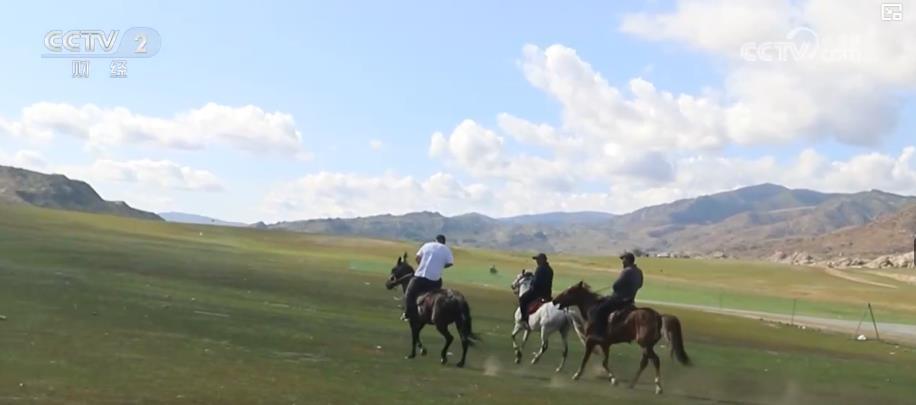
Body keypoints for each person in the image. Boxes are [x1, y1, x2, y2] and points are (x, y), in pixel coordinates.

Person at [588, 252, 644, 339]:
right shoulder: (639, 271)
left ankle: (600, 334)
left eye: (624, 260)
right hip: (630, 300)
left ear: (628, 260)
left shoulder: (627, 271)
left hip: (619, 299)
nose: (622, 262)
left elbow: (616, 285)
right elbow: (640, 285)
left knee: (599, 310)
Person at [403, 234, 454, 322]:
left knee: (409, 294)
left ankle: (408, 314)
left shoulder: (427, 245)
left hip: (420, 276)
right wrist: (440, 266)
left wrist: (421, 265)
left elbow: (418, 257)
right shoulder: (446, 249)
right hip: (435, 280)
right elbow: (450, 263)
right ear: (444, 242)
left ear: (435, 240)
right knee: (437, 297)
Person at [518, 253, 554, 327]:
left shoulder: (540, 269)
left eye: (538, 260)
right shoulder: (550, 270)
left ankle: (524, 319)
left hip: (537, 292)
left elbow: (536, 282)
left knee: (522, 299)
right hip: (547, 293)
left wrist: (532, 285)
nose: (537, 261)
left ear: (542, 260)